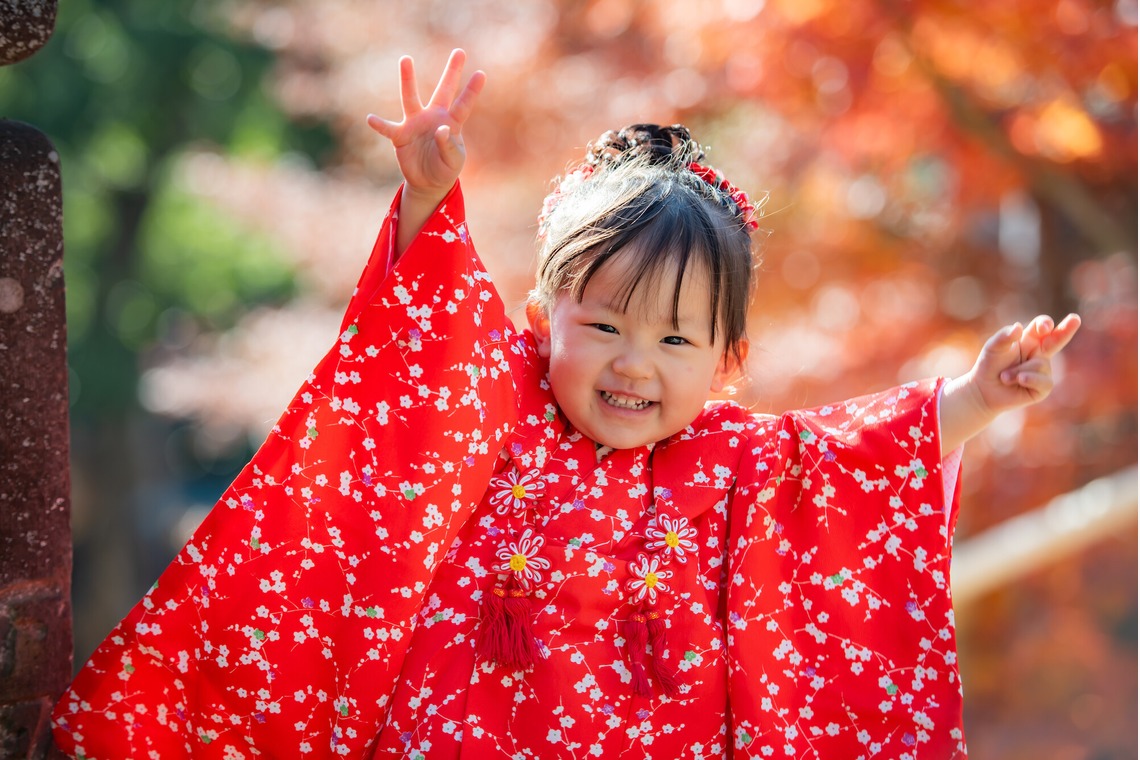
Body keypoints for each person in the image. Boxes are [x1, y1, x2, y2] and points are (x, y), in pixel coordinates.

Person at [53, 49, 1080, 759]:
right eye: (606, 324)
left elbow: (853, 461)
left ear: (728, 359)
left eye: (676, 339)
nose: (636, 364)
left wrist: (978, 396)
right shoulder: (497, 400)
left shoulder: (739, 463)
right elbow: (429, 329)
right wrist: (428, 195)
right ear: (544, 315)